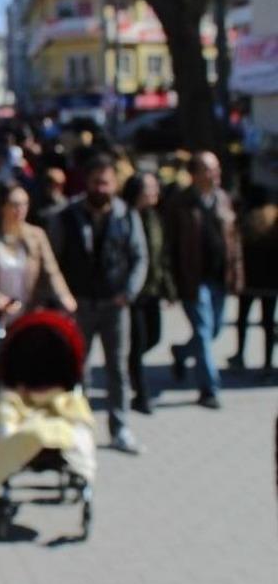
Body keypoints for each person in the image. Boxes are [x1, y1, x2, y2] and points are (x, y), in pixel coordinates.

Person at [49, 156, 147, 454]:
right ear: (87, 183)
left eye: (106, 183)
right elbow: (53, 261)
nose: (101, 188)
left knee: (117, 368)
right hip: (78, 306)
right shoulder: (66, 216)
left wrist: (128, 293)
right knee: (78, 368)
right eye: (96, 182)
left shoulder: (127, 216)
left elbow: (139, 257)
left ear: (115, 184)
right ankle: (79, 427)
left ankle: (120, 428)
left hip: (115, 305)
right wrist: (62, 297)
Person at [165, 151, 244, 409]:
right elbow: (170, 246)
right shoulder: (180, 203)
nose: (216, 174)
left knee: (213, 330)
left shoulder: (223, 200)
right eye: (210, 169)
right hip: (193, 279)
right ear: (195, 174)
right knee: (202, 330)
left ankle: (181, 352)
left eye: (217, 168)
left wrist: (237, 274)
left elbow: (233, 241)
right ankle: (209, 389)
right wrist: (171, 283)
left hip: (219, 277)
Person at [0, 180, 76, 352]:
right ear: (1, 206)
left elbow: (52, 272)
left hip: (29, 315)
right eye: (15, 205)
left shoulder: (36, 235)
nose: (21, 209)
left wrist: (64, 296)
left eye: (25, 204)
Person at [122, 172, 176, 414]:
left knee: (154, 337)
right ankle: (141, 394)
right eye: (150, 188)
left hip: (152, 289)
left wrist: (169, 289)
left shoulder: (155, 217)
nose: (155, 192)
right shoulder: (123, 217)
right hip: (132, 292)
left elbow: (161, 257)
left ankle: (127, 366)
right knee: (138, 341)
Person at [229, 186, 277, 374]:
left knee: (242, 320)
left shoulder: (245, 221)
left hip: (249, 280)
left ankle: (240, 354)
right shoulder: (273, 221)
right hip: (271, 282)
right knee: (268, 323)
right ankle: (267, 363)